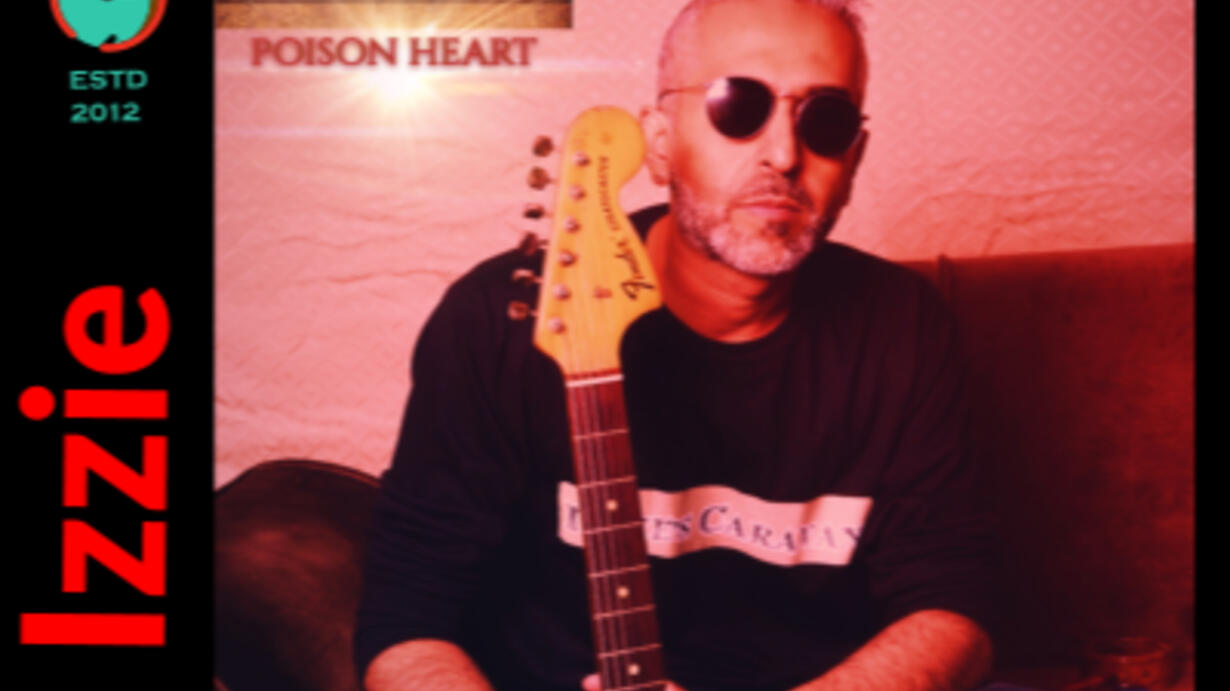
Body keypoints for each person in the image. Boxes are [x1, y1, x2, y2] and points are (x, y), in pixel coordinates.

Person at [355, 0, 997, 689]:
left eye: (826, 120)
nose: (784, 155)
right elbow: (406, 616)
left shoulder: (903, 327)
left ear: (855, 156)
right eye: (737, 107)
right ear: (659, 145)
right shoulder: (507, 320)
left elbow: (952, 604)